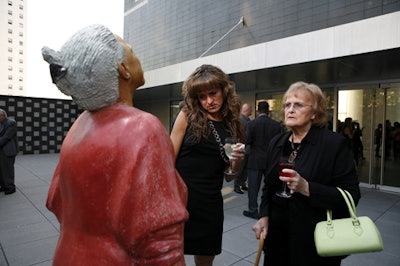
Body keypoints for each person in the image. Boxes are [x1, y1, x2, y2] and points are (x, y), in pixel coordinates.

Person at [42, 24, 188, 265]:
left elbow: (57, 203)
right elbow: (161, 241)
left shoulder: (78, 127)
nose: (135, 53)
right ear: (122, 69)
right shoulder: (143, 128)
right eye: (130, 49)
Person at [252, 81, 360, 266]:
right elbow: (267, 188)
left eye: (298, 105)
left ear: (315, 113)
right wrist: (264, 215)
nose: (290, 109)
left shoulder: (333, 144)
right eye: (287, 105)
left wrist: (307, 188)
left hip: (315, 244)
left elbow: (351, 195)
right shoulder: (276, 142)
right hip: (277, 242)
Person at [170, 64, 245, 266]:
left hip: (209, 202)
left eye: (213, 93)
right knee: (171, 255)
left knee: (205, 258)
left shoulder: (233, 124)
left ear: (224, 90)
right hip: (181, 198)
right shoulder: (187, 115)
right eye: (202, 97)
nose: (209, 101)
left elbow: (230, 175)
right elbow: (168, 159)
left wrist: (236, 161)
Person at [243, 101, 283, 219]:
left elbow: (247, 141)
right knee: (271, 186)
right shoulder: (276, 125)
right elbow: (279, 144)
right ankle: (269, 210)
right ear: (268, 110)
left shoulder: (252, 124)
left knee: (253, 187)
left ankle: (253, 210)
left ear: (257, 110)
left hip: (255, 160)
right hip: (271, 160)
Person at [234, 103, 252, 194]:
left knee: (245, 168)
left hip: (246, 148)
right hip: (241, 147)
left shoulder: (248, 120)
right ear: (247, 110)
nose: (252, 111)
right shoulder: (240, 120)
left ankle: (242, 184)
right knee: (240, 168)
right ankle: (237, 186)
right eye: (251, 109)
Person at [0, 109, 18, 195]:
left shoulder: (11, 123)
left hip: (8, 150)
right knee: (1, 169)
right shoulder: (1, 123)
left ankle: (10, 187)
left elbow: (6, 137)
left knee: (8, 169)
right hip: (1, 150)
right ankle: (3, 185)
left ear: (3, 116)